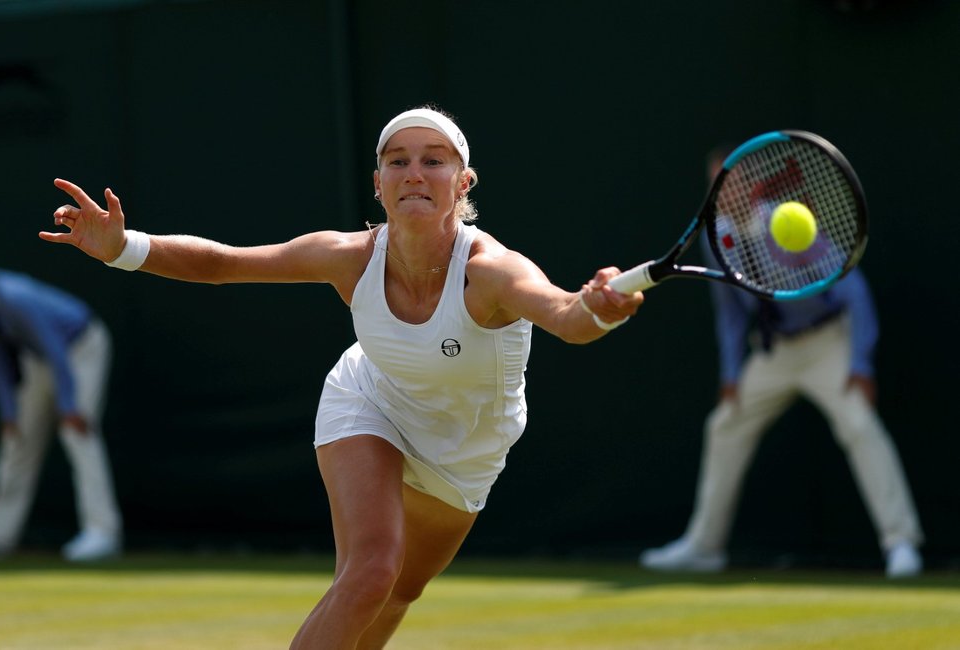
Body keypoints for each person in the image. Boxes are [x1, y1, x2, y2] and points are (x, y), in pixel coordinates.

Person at [39, 106, 644, 649]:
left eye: (434, 161)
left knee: (400, 591)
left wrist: (599, 308)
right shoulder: (348, 257)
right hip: (369, 400)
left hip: (467, 452)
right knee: (370, 572)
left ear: (462, 184)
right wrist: (124, 247)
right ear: (377, 183)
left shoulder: (492, 272)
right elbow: (224, 264)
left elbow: (567, 317)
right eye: (397, 160)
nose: (414, 172)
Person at [639, 146, 924, 578]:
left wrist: (860, 363)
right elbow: (731, 314)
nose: (723, 192)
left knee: (860, 425)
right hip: (773, 353)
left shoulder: (788, 222)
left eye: (730, 181)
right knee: (724, 425)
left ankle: (901, 543)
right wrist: (731, 374)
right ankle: (704, 546)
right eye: (716, 184)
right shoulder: (717, 239)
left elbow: (853, 289)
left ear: (751, 183)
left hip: (829, 344)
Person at [0, 240, 122, 562]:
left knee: (77, 433)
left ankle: (102, 533)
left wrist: (69, 407)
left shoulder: (17, 297)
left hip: (81, 347)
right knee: (18, 440)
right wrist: (9, 412)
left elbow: (56, 350)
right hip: (37, 360)